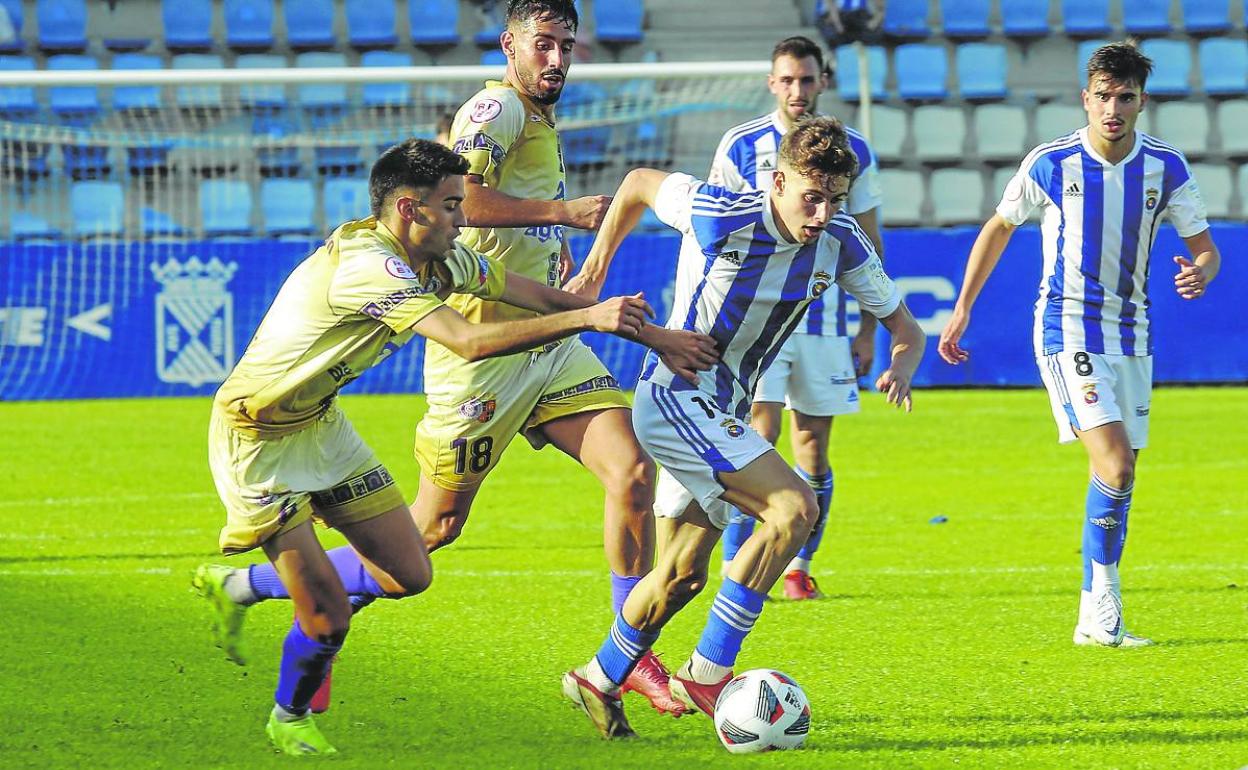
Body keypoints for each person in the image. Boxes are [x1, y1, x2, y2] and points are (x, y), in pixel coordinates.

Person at [192, 138, 658, 756]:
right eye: (452, 206)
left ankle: (245, 587)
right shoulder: (369, 264)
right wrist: (586, 320)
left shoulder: (439, 260)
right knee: (329, 617)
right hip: (256, 439)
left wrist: (619, 319)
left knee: (411, 572)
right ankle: (289, 715)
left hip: (322, 426)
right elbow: (465, 340)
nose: (464, 218)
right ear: (410, 210)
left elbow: (532, 294)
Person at [560, 117, 926, 737]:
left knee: (680, 575)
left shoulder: (842, 241)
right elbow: (639, 182)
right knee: (792, 509)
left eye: (835, 199)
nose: (822, 212)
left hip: (721, 410)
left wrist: (903, 361)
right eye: (812, 196)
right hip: (674, 396)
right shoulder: (718, 212)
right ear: (777, 181)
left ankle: (596, 677)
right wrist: (595, 271)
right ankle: (708, 670)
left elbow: (907, 327)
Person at [410, 0, 714, 714]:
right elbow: (460, 202)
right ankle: (295, 596)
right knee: (429, 535)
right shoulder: (496, 110)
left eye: (566, 47)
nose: (556, 60)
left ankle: (627, 653)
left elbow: (514, 205)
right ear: (509, 44)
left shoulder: (536, 117)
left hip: (549, 339)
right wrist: (561, 212)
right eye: (542, 45)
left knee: (633, 472)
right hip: (484, 351)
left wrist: (557, 246)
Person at [938, 42, 1221, 648]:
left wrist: (1202, 270)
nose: (1112, 108)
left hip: (1134, 331)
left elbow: (1206, 247)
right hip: (1067, 329)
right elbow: (1000, 226)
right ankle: (1104, 602)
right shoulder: (1051, 162)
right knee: (1114, 461)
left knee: (1121, 471)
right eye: (1102, 96)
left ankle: (1094, 610)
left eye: (1124, 97)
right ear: (1085, 98)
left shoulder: (1165, 167)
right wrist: (962, 307)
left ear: (1141, 101)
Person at [708, 35, 884, 600]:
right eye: (787, 80)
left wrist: (867, 327)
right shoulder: (740, 146)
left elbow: (869, 241)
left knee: (811, 448)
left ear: (823, 82)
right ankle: (739, 562)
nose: (797, 90)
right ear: (771, 83)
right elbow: (717, 235)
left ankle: (798, 567)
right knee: (756, 434)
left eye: (807, 80)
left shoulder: (854, 150)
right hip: (761, 320)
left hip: (825, 322)